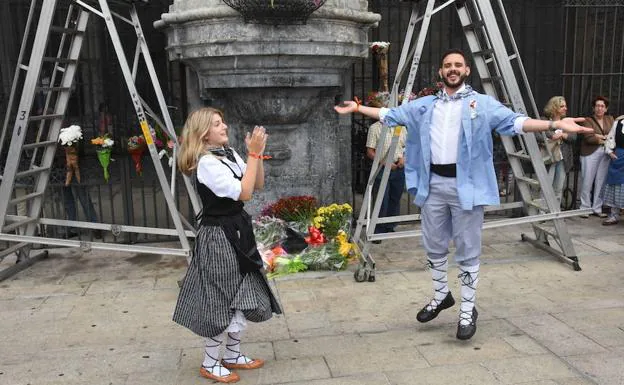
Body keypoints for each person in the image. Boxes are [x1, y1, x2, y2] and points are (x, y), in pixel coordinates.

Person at [334, 48, 592, 340]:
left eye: (458, 65)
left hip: (466, 187)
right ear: (441, 72)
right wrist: (357, 109)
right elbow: (389, 114)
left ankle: (467, 309)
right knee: (434, 244)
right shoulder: (424, 105)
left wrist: (555, 123)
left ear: (466, 70)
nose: (452, 69)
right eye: (447, 65)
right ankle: (442, 294)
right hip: (433, 186)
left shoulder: (482, 104)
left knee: (468, 248)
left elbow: (516, 122)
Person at [173, 107, 282, 383]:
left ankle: (232, 354)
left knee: (242, 291)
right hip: (218, 235)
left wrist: (256, 154)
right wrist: (254, 154)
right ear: (204, 134)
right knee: (220, 297)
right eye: (217, 124)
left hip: (237, 230)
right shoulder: (207, 163)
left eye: (223, 122)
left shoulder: (229, 153)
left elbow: (256, 184)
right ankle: (210, 362)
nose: (225, 127)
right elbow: (243, 192)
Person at [365, 100, 406, 238]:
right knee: (381, 199)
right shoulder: (375, 128)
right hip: (382, 168)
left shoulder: (401, 127)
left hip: (398, 168)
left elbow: (406, 146)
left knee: (395, 197)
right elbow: (370, 151)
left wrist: (403, 158)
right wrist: (384, 163)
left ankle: (390, 226)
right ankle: (378, 230)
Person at [579, 96, 613, 218]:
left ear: (606, 108)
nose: (599, 108)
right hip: (590, 152)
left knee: (601, 181)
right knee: (587, 180)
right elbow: (589, 137)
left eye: (602, 106)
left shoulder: (610, 119)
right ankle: (584, 208)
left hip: (605, 153)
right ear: (593, 108)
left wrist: (599, 136)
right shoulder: (588, 120)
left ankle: (597, 207)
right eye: (597, 106)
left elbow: (612, 135)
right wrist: (604, 138)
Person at [542, 96, 575, 204]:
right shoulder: (544, 121)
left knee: (558, 187)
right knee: (545, 186)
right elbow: (538, 135)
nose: (565, 108)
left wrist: (562, 135)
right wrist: (552, 136)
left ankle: (555, 212)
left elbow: (573, 137)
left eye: (565, 106)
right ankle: (542, 213)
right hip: (549, 157)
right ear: (554, 107)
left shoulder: (567, 122)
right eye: (562, 106)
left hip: (563, 158)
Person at [601, 115, 624, 225]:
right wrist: (610, 152)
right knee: (615, 185)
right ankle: (613, 215)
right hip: (619, 157)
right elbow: (611, 138)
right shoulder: (618, 123)